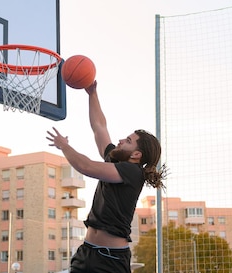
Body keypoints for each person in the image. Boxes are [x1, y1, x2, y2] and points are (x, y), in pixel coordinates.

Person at [46, 81, 166, 273]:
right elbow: (99, 127)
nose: (120, 140)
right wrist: (92, 94)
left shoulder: (133, 173)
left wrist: (64, 146)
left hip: (110, 259)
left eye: (128, 141)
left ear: (136, 155)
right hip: (86, 252)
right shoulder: (115, 160)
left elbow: (85, 166)